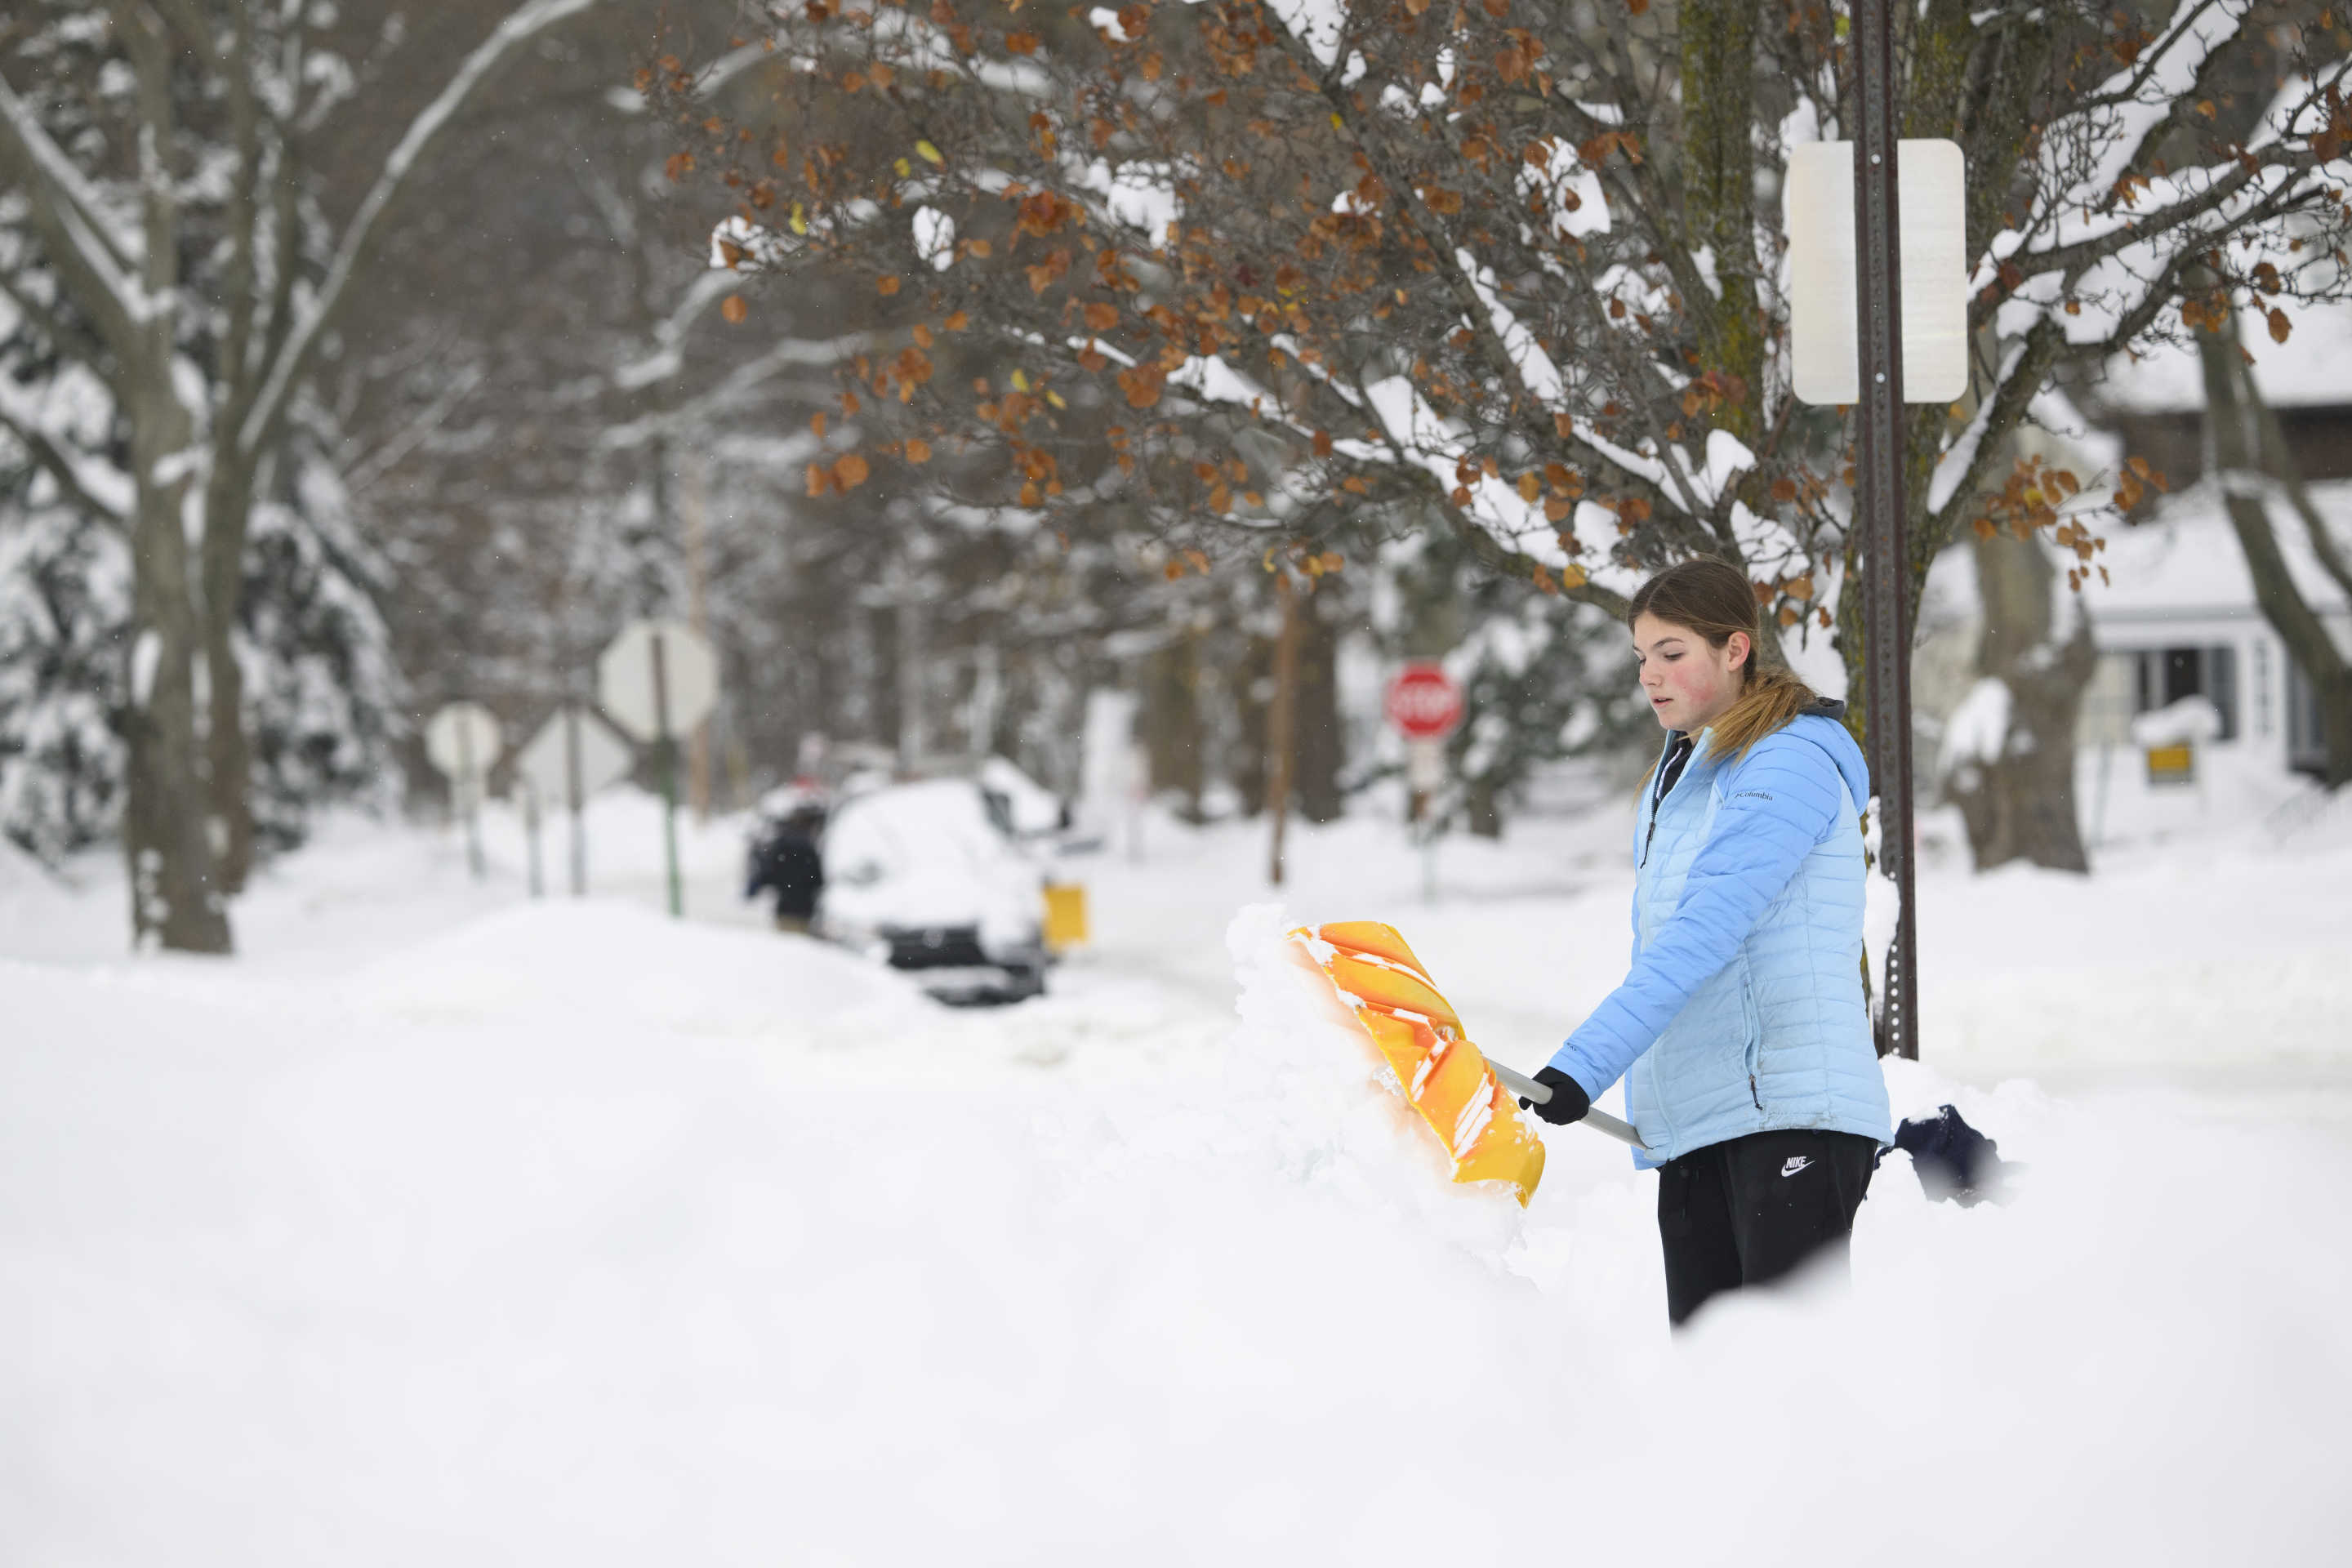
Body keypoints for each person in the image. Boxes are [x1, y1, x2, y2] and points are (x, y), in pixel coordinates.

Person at [1520, 559, 1893, 1326]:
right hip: (1703, 1123)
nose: (1650, 676)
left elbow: (1702, 935)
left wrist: (1583, 1066)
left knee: (1792, 1387)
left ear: (1736, 649)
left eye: (1672, 652)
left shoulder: (1786, 762)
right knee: (1713, 1394)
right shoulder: (1686, 772)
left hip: (1790, 1116)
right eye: (1641, 657)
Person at [746, 800, 826, 933]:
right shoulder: (810, 849)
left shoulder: (781, 847)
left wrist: (755, 887)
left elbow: (769, 874)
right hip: (805, 910)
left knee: (786, 945)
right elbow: (819, 880)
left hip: (785, 909)